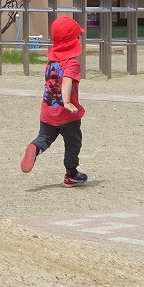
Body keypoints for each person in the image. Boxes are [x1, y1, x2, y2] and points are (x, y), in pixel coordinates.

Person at [21, 17, 88, 187]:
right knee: (73, 142)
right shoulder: (72, 63)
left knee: (44, 138)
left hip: (48, 111)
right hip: (67, 115)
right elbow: (66, 80)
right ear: (74, 41)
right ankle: (71, 174)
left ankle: (35, 147)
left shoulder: (51, 62)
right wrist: (67, 102)